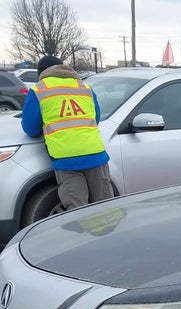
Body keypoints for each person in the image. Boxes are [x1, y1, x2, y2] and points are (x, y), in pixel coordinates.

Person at [21, 55, 113, 212]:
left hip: (66, 159)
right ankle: (106, 235)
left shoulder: (39, 90)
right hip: (95, 154)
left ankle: (82, 237)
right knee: (105, 207)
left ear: (41, 72)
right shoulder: (84, 87)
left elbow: (31, 128)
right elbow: (95, 118)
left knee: (77, 210)